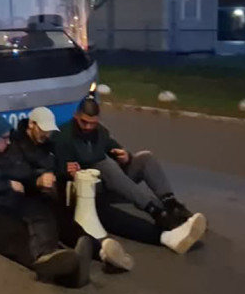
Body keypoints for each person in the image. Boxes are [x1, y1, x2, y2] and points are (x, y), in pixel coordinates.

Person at [0, 111, 93, 286]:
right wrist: (7, 184)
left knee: (42, 215)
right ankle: (65, 271)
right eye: (4, 138)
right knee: (15, 236)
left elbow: (24, 170)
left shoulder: (9, 148)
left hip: (13, 199)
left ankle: (58, 256)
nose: (8, 141)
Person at [55, 97, 207, 254]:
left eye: (92, 123)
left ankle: (172, 206)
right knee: (105, 165)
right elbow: (58, 167)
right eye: (84, 122)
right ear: (76, 116)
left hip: (109, 180)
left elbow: (112, 146)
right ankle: (154, 210)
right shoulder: (64, 136)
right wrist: (68, 171)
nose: (88, 127)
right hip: (86, 187)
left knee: (145, 158)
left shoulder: (100, 132)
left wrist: (125, 155)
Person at [12, 107, 135, 271]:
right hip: (31, 197)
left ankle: (103, 252)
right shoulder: (16, 145)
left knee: (67, 223)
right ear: (32, 124)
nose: (47, 135)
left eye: (49, 131)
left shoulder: (48, 144)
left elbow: (58, 166)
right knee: (51, 223)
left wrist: (67, 169)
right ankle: (65, 256)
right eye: (43, 130)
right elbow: (16, 172)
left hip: (52, 196)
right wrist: (37, 181)